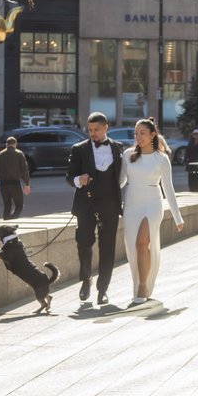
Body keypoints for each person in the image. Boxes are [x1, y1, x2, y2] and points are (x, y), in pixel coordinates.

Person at [119, 118, 185, 305]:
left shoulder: (161, 159)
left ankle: (142, 285)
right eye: (136, 133)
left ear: (152, 135)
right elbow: (121, 181)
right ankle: (140, 282)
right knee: (133, 247)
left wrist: (177, 216)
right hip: (131, 204)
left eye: (142, 133)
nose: (138, 137)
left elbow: (168, 189)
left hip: (152, 204)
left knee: (142, 243)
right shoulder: (128, 154)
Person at [66, 112, 125, 305]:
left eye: (96, 130)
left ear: (106, 127)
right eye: (90, 130)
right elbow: (69, 177)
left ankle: (103, 290)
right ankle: (86, 280)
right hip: (86, 205)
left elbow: (122, 177)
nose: (92, 133)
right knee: (84, 244)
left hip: (110, 205)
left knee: (107, 247)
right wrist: (79, 180)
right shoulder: (79, 149)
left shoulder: (118, 148)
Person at [0, 136, 31, 219]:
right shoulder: (19, 154)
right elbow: (25, 170)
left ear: (6, 144)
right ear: (15, 144)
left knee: (7, 206)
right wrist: (27, 184)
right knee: (19, 205)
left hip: (3, 184)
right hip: (15, 183)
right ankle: (12, 220)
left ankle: (6, 222)